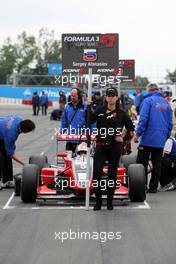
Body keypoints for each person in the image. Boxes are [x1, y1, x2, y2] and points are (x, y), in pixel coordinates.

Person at [89, 87, 134, 210]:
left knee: (112, 175)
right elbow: (88, 120)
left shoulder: (122, 114)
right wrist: (88, 107)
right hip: (101, 147)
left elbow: (131, 129)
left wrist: (123, 139)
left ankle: (109, 202)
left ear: (117, 98)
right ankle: (98, 202)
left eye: (113, 95)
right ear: (106, 97)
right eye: (108, 95)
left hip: (115, 148)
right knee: (96, 173)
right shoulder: (100, 110)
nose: (110, 97)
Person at [134, 83, 173, 193]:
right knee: (157, 163)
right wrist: (166, 136)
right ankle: (153, 187)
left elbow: (143, 119)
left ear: (149, 91)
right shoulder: (166, 103)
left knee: (141, 163)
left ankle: (142, 186)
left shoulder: (148, 101)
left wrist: (137, 134)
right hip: (161, 139)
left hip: (147, 138)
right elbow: (170, 123)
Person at [0, 115, 35, 190]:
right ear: (25, 131)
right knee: (2, 156)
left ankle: (7, 180)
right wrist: (24, 163)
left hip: (2, 130)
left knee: (6, 155)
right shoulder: (11, 135)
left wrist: (11, 146)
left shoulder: (18, 119)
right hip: (3, 133)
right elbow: (11, 154)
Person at [60, 87, 86, 154]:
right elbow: (64, 122)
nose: (72, 97)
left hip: (83, 140)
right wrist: (61, 133)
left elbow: (92, 121)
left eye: (74, 96)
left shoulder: (86, 107)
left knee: (82, 161)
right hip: (70, 139)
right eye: (71, 95)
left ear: (79, 96)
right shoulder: (67, 107)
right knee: (68, 160)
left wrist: (93, 134)